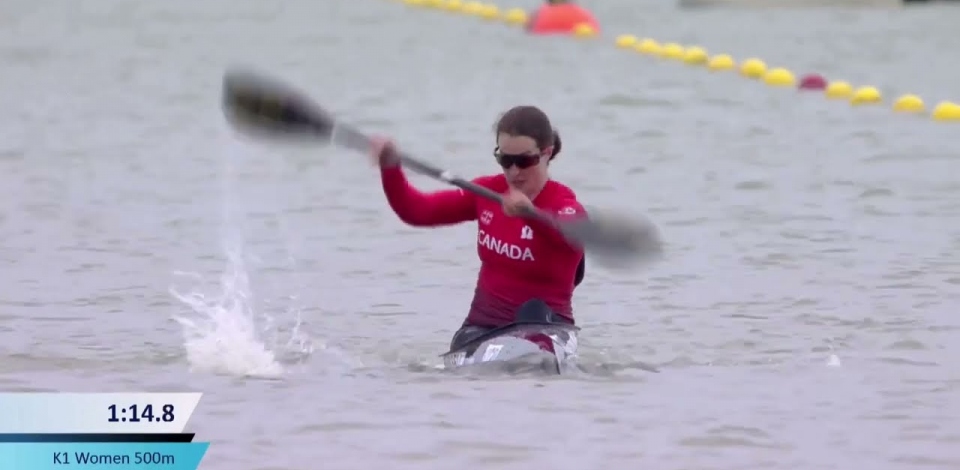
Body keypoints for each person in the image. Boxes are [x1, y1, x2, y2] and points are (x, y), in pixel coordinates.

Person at [369, 106, 587, 351]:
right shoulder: (487, 192)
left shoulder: (565, 206)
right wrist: (390, 169)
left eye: (524, 161)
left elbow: (568, 235)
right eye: (506, 160)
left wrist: (530, 215)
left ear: (546, 153)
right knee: (462, 350)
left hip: (547, 329)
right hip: (483, 327)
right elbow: (417, 211)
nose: (514, 171)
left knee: (533, 320)